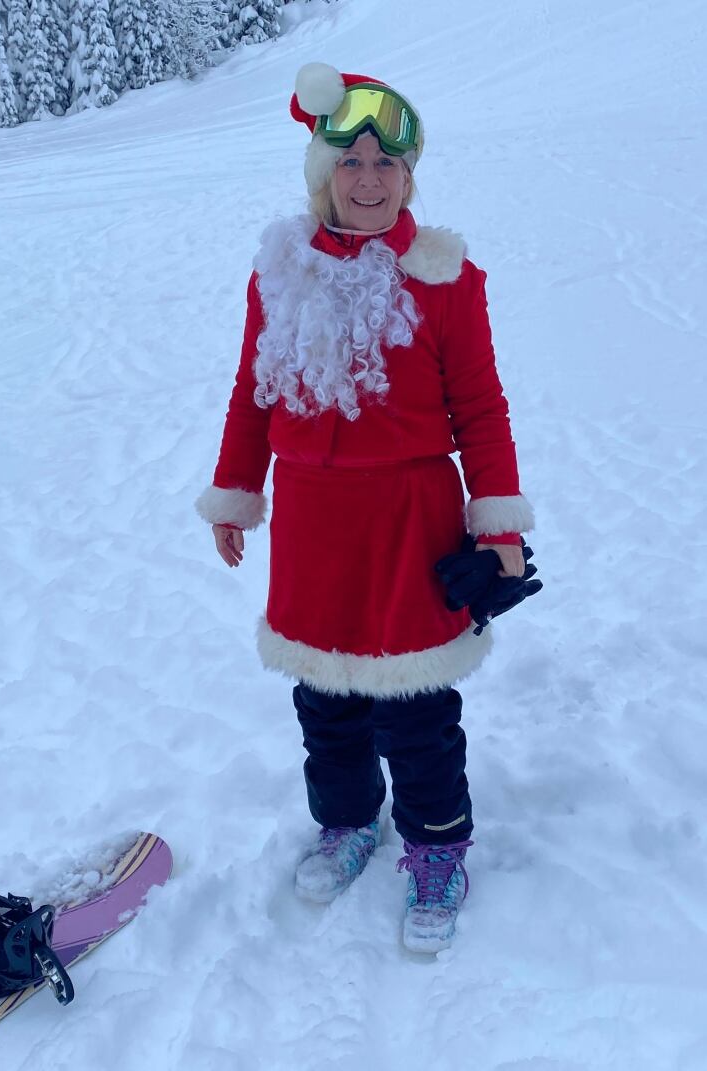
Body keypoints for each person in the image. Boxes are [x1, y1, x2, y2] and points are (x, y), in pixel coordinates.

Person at [195, 63, 534, 953]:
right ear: (323, 174)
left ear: (410, 176)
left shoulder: (445, 278)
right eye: (352, 162)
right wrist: (238, 493)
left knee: (414, 702)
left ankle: (436, 846)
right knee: (326, 699)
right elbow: (251, 396)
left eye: (389, 163)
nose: (372, 178)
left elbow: (482, 410)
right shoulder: (278, 274)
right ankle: (348, 823)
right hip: (311, 526)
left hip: (407, 521)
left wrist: (497, 528)